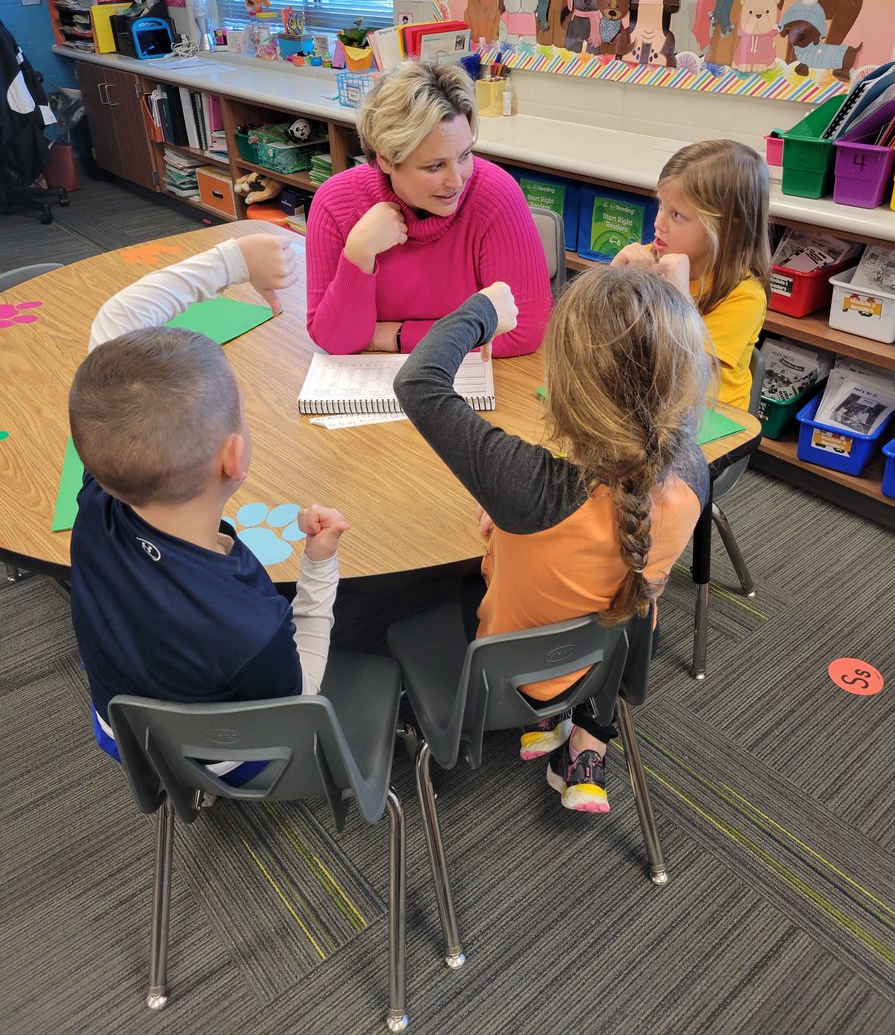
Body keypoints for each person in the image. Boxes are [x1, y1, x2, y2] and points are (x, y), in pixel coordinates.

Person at [393, 267, 712, 814]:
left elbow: (417, 382)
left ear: (562, 389)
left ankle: (545, 715)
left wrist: (484, 309)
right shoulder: (693, 471)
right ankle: (580, 736)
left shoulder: (531, 486)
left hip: (513, 677)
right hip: (617, 656)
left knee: (418, 604)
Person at [68, 231, 349, 777]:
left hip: (120, 732)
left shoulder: (96, 502)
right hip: (225, 759)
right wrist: (318, 567)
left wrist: (231, 262)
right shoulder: (251, 626)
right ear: (235, 457)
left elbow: (116, 322)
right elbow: (298, 697)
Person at [305, 60, 552, 357]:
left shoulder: (496, 195)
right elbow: (335, 341)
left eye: (464, 155)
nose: (456, 181)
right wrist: (359, 252)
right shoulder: (335, 204)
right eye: (434, 166)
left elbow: (523, 330)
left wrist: (396, 336)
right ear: (385, 160)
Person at [612, 139, 771, 409]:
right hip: (648, 404)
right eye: (661, 205)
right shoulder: (654, 256)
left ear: (726, 227)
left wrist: (677, 293)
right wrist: (613, 278)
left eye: (677, 215)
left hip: (708, 421)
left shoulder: (744, 296)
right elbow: (601, 337)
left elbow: (683, 374)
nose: (658, 223)